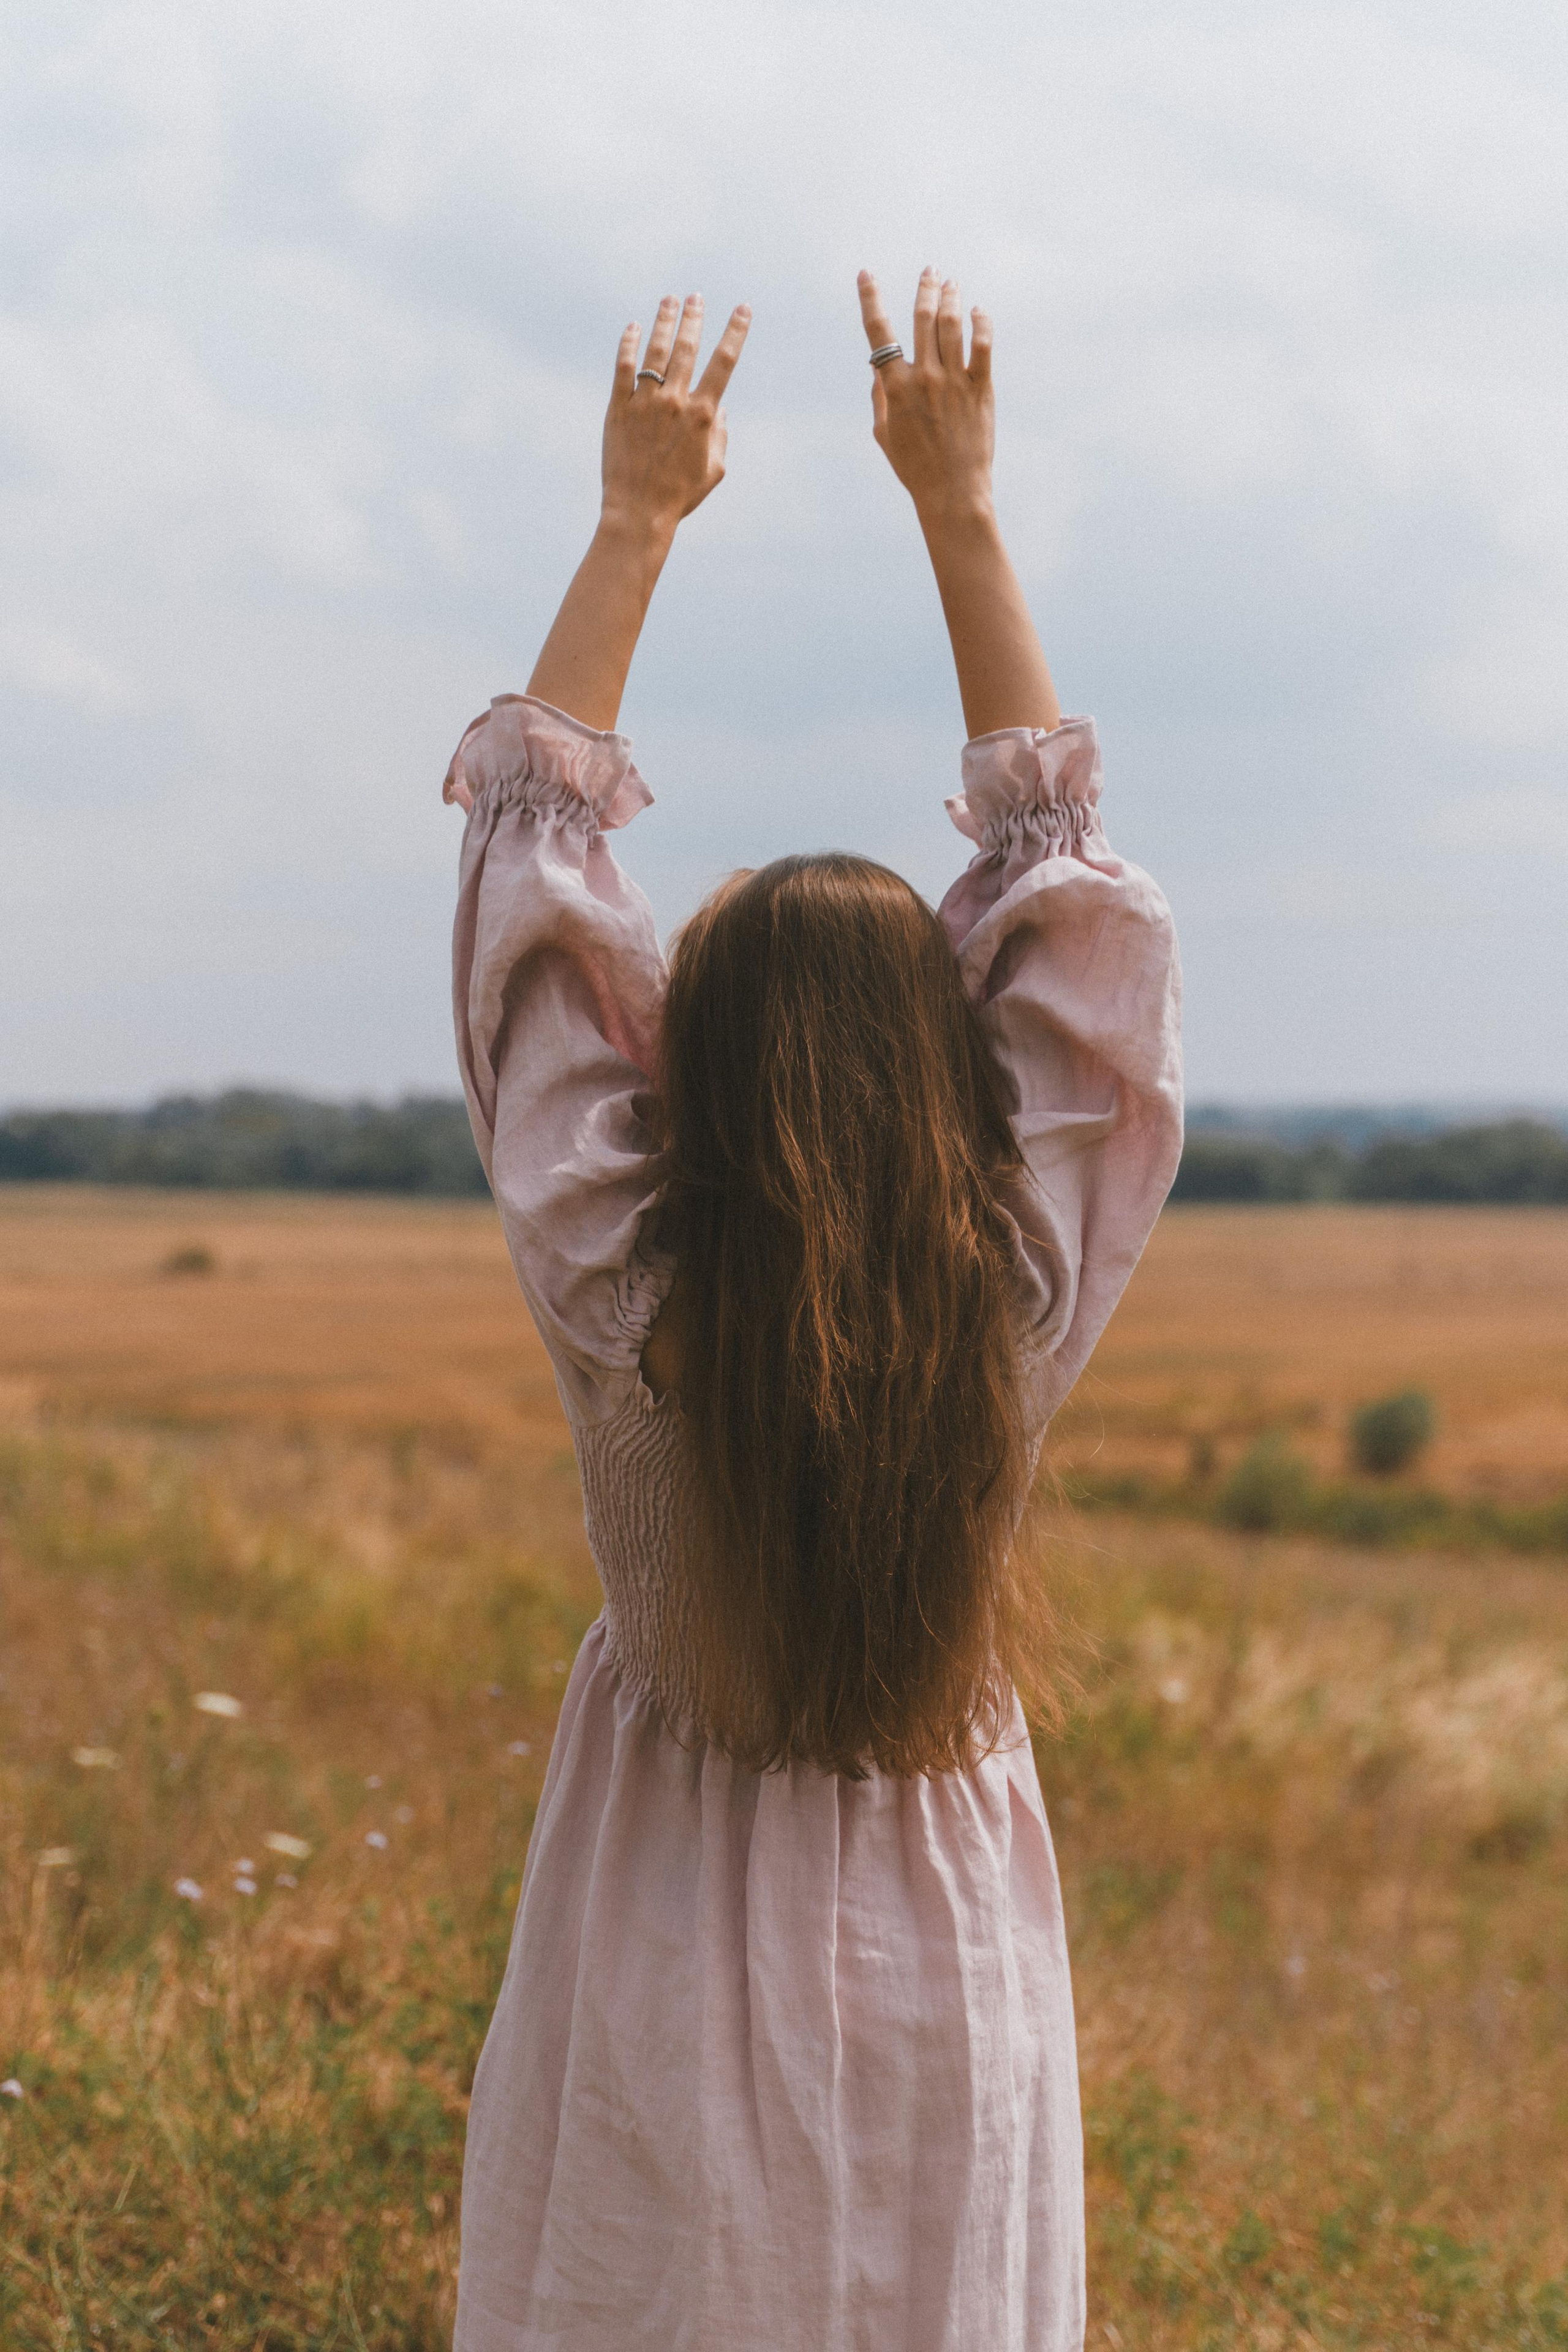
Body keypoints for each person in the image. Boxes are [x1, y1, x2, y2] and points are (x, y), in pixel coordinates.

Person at [444, 270, 1182, 2352]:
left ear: (684, 1066)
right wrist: (961, 508)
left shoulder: (626, 1292)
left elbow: (528, 896)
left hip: (664, 1937)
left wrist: (632, 522)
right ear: (956, 1081)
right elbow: (1077, 910)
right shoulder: (1008, 1300)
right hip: (952, 1958)